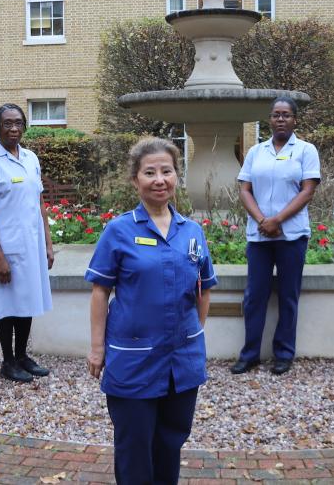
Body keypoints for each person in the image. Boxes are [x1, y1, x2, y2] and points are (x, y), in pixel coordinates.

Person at [86, 137, 216, 485]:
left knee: (170, 441)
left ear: (177, 176)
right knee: (134, 446)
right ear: (135, 181)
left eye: (167, 171)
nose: (160, 179)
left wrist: (193, 332)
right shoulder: (119, 230)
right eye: (150, 172)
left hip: (181, 361)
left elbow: (204, 290)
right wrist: (97, 348)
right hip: (133, 359)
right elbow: (100, 291)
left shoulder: (192, 232)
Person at [231, 96, 320, 376]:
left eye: (286, 115)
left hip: (291, 235)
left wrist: (278, 220)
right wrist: (262, 220)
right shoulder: (257, 152)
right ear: (269, 119)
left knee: (288, 296)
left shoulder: (306, 150)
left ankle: (284, 354)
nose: (280, 119)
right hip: (259, 236)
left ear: (295, 119)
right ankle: (250, 354)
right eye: (276, 115)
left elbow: (307, 190)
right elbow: (245, 189)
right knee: (254, 295)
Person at [0, 103, 54, 383]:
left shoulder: (31, 158)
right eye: (7, 123)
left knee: (27, 299)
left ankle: (22, 356)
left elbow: (39, 202)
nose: (14, 128)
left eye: (19, 123)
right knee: (7, 303)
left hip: (31, 245)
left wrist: (47, 242)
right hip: (6, 246)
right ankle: (7, 361)